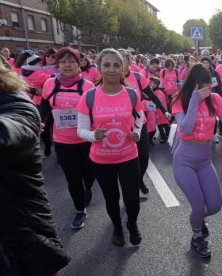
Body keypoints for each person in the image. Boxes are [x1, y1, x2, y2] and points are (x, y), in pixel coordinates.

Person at [0, 63, 70, 275]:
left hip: (21, 246)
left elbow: (9, 130)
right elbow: (47, 104)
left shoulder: (16, 104)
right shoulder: (50, 82)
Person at [77, 48, 144, 246]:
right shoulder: (89, 96)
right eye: (106, 65)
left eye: (116, 65)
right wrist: (91, 135)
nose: (112, 69)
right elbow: (80, 129)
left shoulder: (132, 94)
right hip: (101, 159)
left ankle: (132, 224)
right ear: (99, 68)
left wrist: (138, 132)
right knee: (112, 199)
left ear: (123, 68)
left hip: (128, 155)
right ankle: (117, 227)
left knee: (132, 199)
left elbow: (140, 119)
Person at [171, 64, 222, 258]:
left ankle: (197, 220)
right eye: (204, 87)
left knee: (215, 206)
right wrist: (192, 102)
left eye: (210, 85)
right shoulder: (180, 100)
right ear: (194, 86)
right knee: (198, 206)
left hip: (205, 160)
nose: (209, 90)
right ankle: (197, 236)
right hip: (184, 160)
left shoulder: (214, 99)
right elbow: (187, 129)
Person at [40, 47, 96, 230]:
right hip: (63, 141)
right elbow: (44, 107)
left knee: (89, 174)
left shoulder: (88, 86)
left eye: (72, 61)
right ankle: (80, 210)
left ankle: (88, 187)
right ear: (58, 65)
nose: (67, 65)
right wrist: (40, 121)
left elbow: (95, 112)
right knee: (72, 178)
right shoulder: (50, 84)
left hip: (86, 140)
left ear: (79, 64)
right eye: (63, 61)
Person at [118, 49, 171, 195]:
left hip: (139, 122)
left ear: (129, 62)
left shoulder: (138, 77)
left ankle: (139, 179)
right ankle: (131, 185)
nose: (120, 64)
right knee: (126, 160)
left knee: (143, 156)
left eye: (123, 60)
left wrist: (164, 110)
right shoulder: (111, 79)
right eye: (118, 61)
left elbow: (152, 96)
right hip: (120, 126)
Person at [150, 77, 170, 144]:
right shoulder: (158, 91)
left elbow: (159, 102)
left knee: (161, 125)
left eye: (151, 83)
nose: (150, 84)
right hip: (162, 111)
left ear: (155, 84)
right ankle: (168, 136)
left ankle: (164, 137)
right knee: (165, 123)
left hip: (160, 112)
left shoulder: (157, 92)